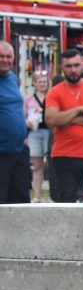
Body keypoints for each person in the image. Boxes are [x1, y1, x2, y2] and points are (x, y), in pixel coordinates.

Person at [44, 49, 83, 202]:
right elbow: (51, 120)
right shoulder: (54, 92)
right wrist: (79, 110)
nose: (73, 70)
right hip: (63, 155)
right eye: (68, 66)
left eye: (76, 65)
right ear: (61, 68)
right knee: (66, 202)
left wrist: (66, 118)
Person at [0, 41, 30, 204]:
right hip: (1, 151)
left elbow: (17, 106)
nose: (5, 60)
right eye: (1, 56)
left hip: (18, 150)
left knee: (21, 200)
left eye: (8, 56)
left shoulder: (12, 79)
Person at [24, 70, 49, 201]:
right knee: (37, 165)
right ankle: (37, 195)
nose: (42, 84)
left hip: (49, 132)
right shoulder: (28, 99)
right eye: (40, 82)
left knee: (51, 164)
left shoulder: (51, 96)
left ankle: (54, 194)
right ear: (34, 83)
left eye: (44, 81)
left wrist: (43, 111)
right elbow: (22, 116)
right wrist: (26, 122)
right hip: (34, 133)